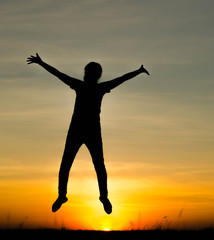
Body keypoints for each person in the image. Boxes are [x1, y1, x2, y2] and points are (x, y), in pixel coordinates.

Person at [27, 53, 149, 214]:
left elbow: (121, 79)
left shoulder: (89, 87)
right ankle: (67, 196)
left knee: (85, 165)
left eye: (87, 73)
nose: (85, 75)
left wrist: (138, 71)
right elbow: (59, 74)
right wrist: (138, 71)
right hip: (81, 131)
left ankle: (99, 197)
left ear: (92, 75)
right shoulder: (94, 87)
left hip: (87, 132)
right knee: (77, 165)